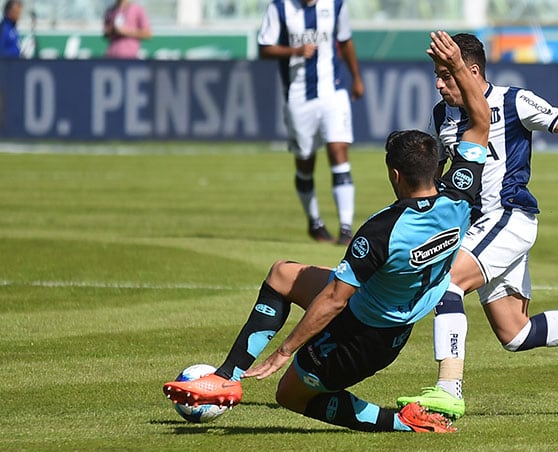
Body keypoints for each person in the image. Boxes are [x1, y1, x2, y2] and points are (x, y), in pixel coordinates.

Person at [163, 31, 488, 433]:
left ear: (395, 174)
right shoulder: (460, 199)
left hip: (364, 334)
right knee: (284, 273)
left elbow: (335, 300)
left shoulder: (382, 230)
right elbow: (480, 119)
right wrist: (458, 66)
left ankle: (401, 423)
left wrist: (284, 350)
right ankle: (225, 377)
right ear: (438, 169)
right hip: (391, 313)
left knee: (291, 394)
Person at [396, 33, 558, 420]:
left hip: (508, 216)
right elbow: (441, 172)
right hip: (479, 226)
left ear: (470, 71)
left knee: (446, 282)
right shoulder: (442, 114)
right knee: (515, 334)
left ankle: (447, 390)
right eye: (436, 75)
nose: (439, 83)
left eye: (446, 75)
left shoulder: (513, 100)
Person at [257, 0, 364, 245]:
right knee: (305, 161)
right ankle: (314, 222)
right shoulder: (280, 7)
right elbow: (264, 48)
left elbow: (345, 41)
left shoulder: (336, 5)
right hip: (298, 97)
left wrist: (356, 78)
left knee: (338, 151)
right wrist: (293, 51)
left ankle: (346, 229)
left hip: (333, 92)